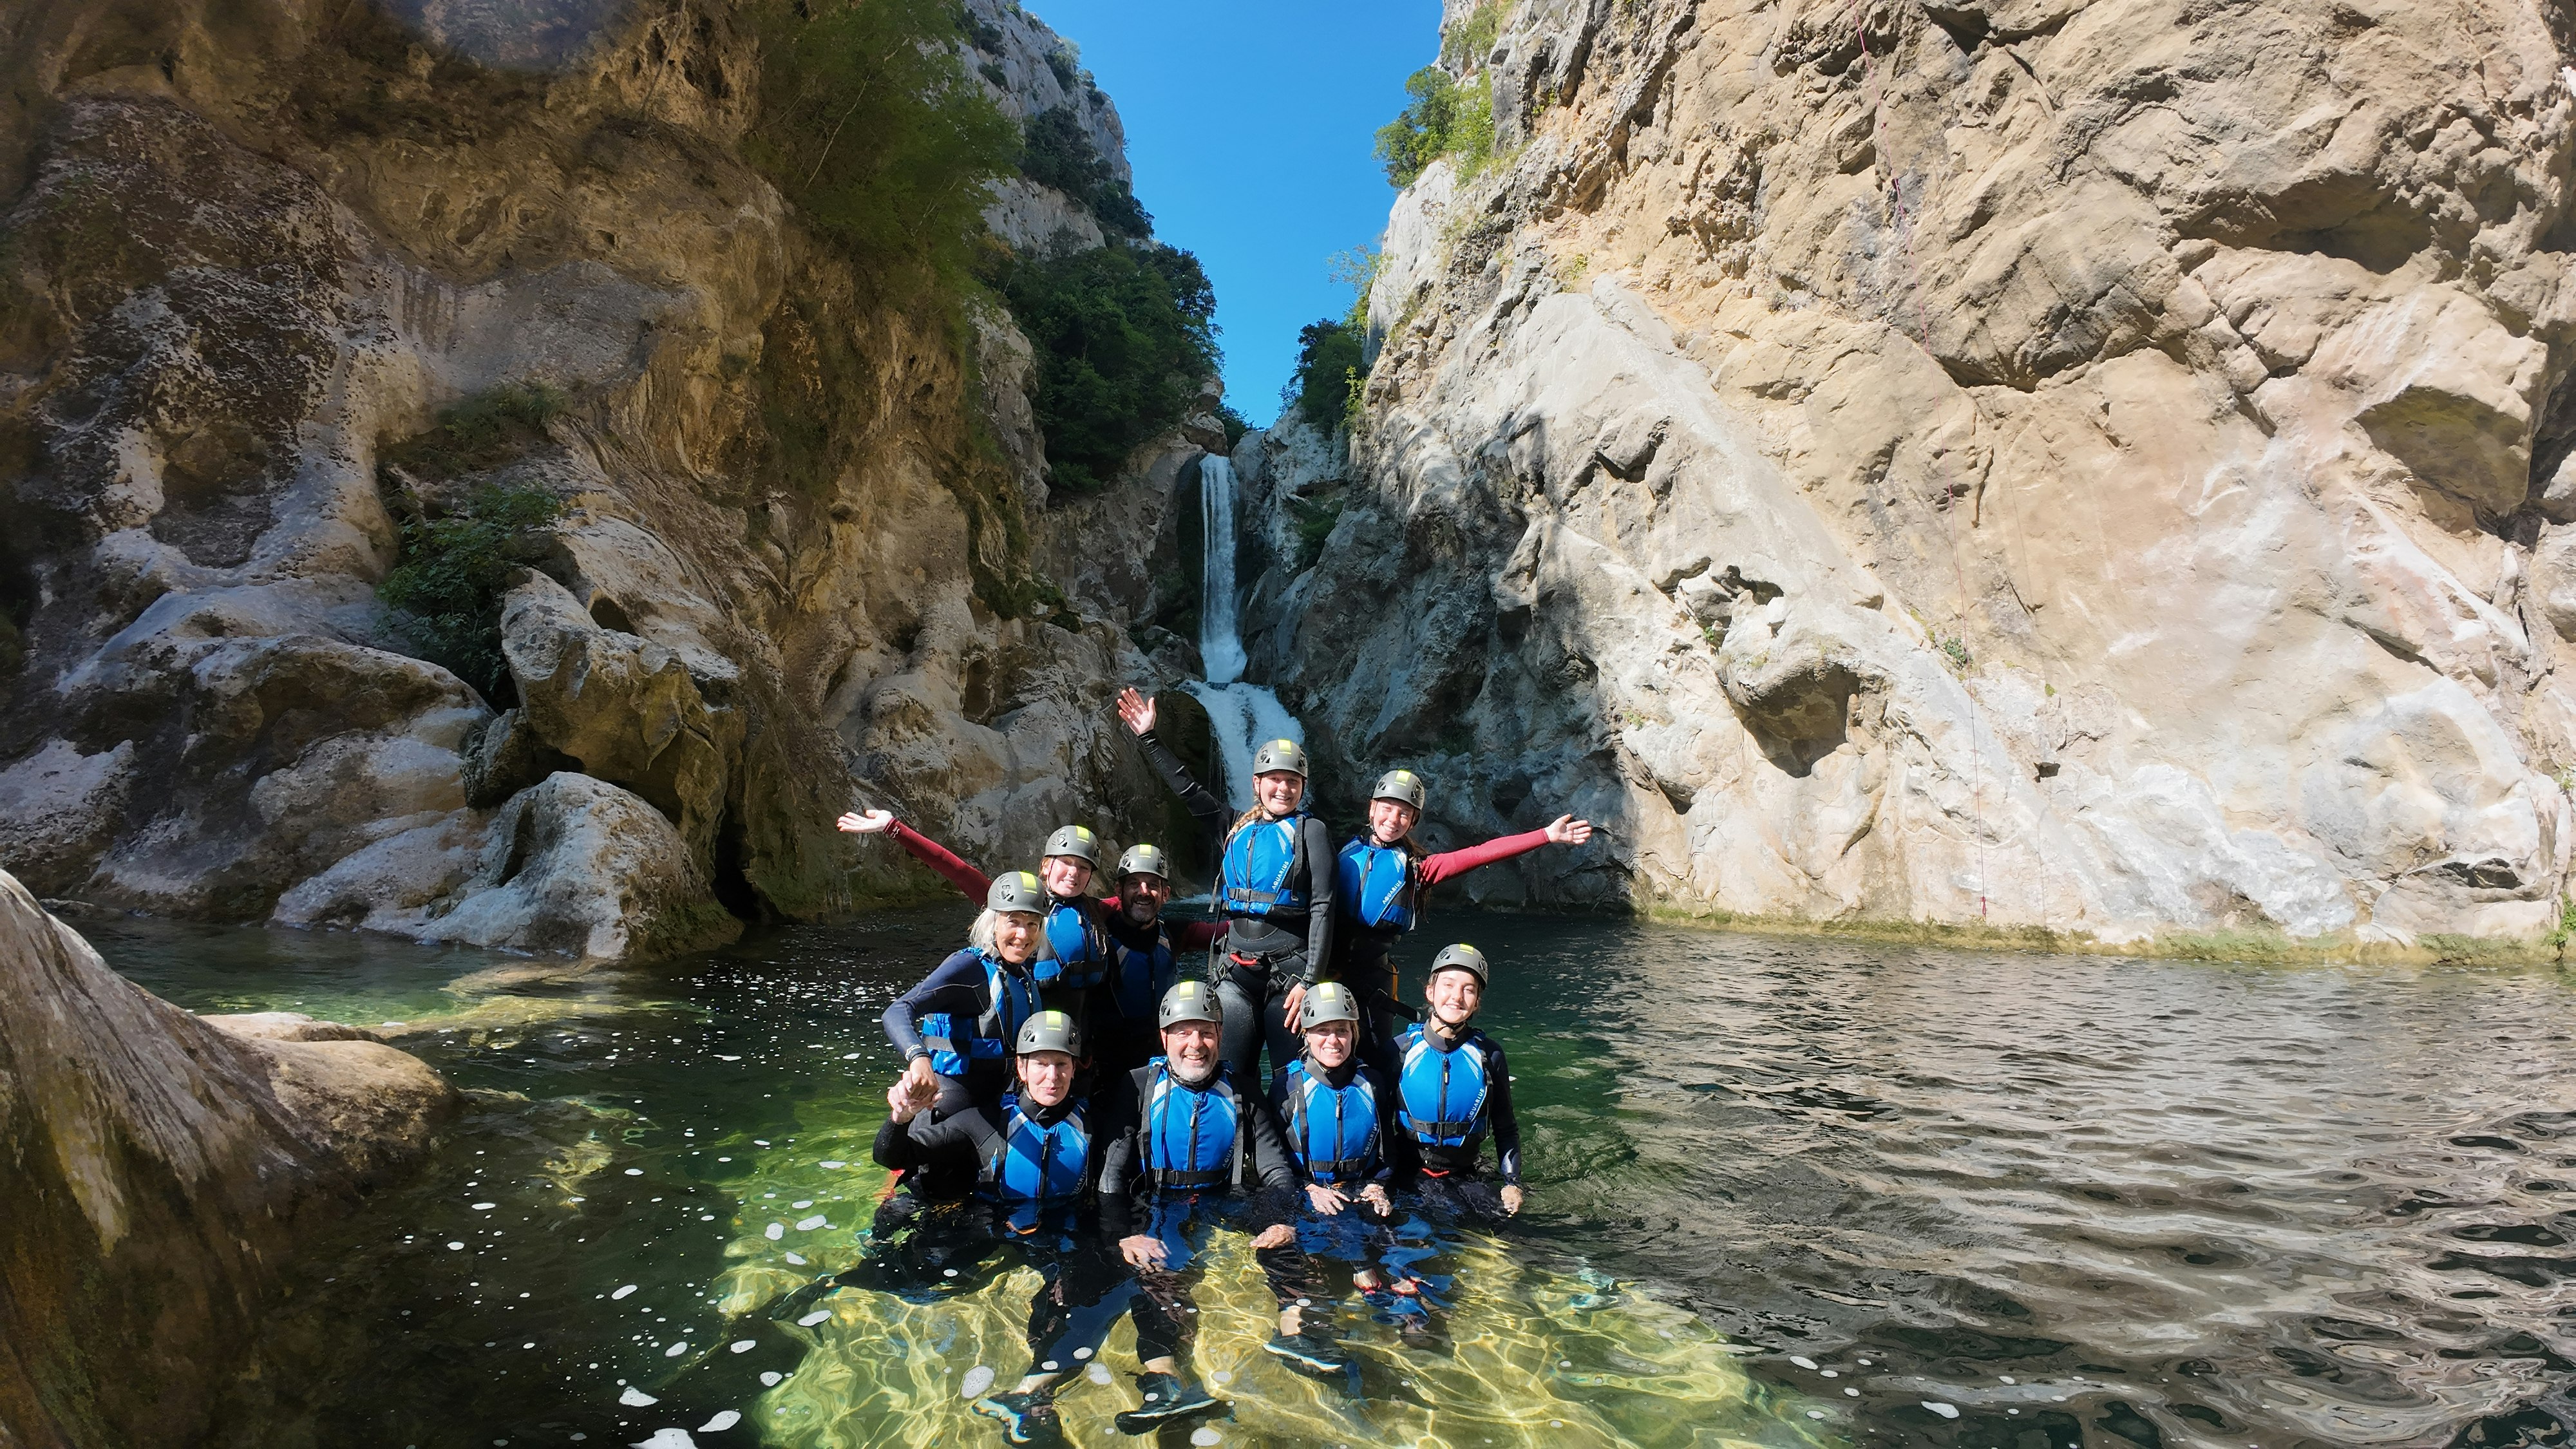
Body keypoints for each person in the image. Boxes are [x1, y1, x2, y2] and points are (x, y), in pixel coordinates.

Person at [872, 1010, 1124, 1446]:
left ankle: (1033, 1394)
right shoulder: (985, 1122)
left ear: (1075, 1068)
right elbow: (893, 1157)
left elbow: (1112, 1192)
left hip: (1058, 1226)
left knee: (1089, 1293)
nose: (1052, 1076)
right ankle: (834, 1284)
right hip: (991, 1222)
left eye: (1062, 1064)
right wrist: (900, 1119)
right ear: (1021, 1069)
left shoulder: (1094, 1124)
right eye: (1041, 1064)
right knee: (917, 1280)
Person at [1095, 980, 1329, 1432]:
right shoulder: (1138, 1086)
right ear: (1164, 1038)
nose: (1195, 1044)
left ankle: (1297, 1334)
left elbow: (1277, 1169)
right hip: (1160, 1201)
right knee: (1155, 1272)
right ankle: (1164, 1381)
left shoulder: (1242, 1090)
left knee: (1284, 1229)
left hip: (1226, 1198)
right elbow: (1113, 1177)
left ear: (1220, 1035)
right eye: (1183, 1032)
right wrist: (1123, 1233)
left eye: (1205, 1032)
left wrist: (1280, 1220)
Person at [1116, 687, 1334, 1087]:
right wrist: (1149, 736)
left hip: (1289, 974)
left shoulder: (1313, 832)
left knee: (1294, 1082)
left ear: (1302, 786)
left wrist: (1309, 982)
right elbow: (1186, 789)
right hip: (1235, 971)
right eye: (1274, 779)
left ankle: (1282, 1149)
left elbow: (1323, 906)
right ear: (1256, 783)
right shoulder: (1232, 825)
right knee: (1231, 1080)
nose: (1283, 789)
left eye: (1292, 781)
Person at [1334, 768, 1593, 1072]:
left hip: (1373, 979)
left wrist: (1546, 835)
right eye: (1387, 809)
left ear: (1414, 821)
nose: (1394, 819)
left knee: (1374, 1065)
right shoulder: (1339, 851)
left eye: (1404, 814)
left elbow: (1480, 854)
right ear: (1372, 808)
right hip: (1330, 971)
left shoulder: (1418, 869)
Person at [838, 810, 1119, 1018]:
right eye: (1066, 863)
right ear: (1046, 866)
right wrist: (893, 827)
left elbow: (1142, 895)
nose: (1074, 873)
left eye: (1083, 868)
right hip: (1020, 1032)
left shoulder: (1097, 912)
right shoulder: (1010, 901)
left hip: (1078, 1044)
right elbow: (957, 870)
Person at [1270, 980, 1424, 1338]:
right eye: (1322, 1031)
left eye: (1342, 1030)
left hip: (1359, 1188)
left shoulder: (1371, 1082)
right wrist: (1306, 1188)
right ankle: (1311, 1323)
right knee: (1332, 1256)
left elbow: (1388, 1148)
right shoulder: (1285, 1088)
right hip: (1308, 1193)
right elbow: (1272, 1158)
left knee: (1396, 1247)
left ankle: (1407, 1308)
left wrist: (1379, 1184)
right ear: (1306, 1036)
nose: (1333, 1040)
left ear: (1354, 1033)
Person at [880, 872, 1052, 1120]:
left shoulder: (1022, 976)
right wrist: (918, 1058)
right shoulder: (968, 968)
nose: (1023, 935)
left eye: (1032, 924)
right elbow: (898, 1009)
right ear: (994, 924)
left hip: (999, 1103)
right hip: (950, 1108)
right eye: (1013, 922)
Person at [1392, 944, 1524, 1220]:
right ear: (1430, 992)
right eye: (1448, 985)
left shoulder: (1490, 1055)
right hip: (1407, 1174)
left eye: (1469, 989)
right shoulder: (1399, 1051)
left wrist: (1512, 1184)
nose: (1457, 997)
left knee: (1504, 1229)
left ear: (1477, 1002)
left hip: (1466, 1172)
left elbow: (1506, 1128)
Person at [1095, 843, 1210, 1077]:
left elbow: (1229, 932)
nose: (1144, 891)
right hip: (1107, 1060)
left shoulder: (1174, 933)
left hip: (1158, 1057)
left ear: (1166, 894)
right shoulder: (1099, 927)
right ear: (1119, 890)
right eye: (1135, 884)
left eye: (1153, 885)